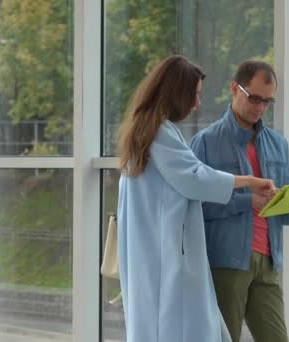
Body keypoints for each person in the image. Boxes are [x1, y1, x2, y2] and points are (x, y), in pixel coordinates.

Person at [116, 55, 275, 342]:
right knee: (188, 328)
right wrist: (248, 182)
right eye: (195, 95)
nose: (197, 103)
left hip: (154, 252)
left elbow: (192, 175)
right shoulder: (160, 133)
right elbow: (194, 178)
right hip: (169, 257)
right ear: (178, 92)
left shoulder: (143, 131)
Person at [190, 60, 289, 342]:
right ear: (235, 89)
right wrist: (248, 202)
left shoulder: (278, 144)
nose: (260, 108)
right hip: (225, 262)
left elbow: (280, 209)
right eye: (255, 98)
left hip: (268, 262)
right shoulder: (205, 142)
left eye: (267, 102)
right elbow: (194, 207)